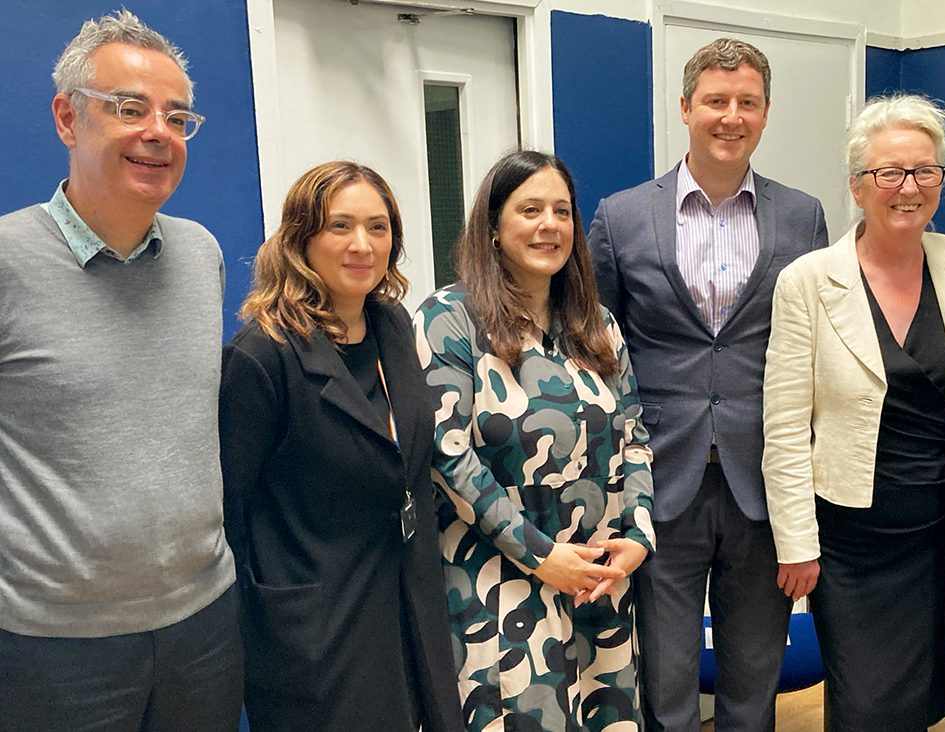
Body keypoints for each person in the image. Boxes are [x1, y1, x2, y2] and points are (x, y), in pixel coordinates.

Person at [0, 11, 243, 730]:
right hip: (52, 648)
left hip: (205, 623)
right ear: (67, 119)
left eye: (177, 117)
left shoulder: (201, 255)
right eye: (129, 109)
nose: (158, 133)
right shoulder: (7, 262)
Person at [588, 37, 829, 731]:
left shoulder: (802, 216)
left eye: (747, 102)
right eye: (716, 101)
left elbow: (815, 345)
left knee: (754, 679)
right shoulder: (622, 216)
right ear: (686, 107)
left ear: (766, 112)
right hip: (660, 480)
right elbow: (597, 347)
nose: (731, 116)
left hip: (764, 479)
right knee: (664, 680)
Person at [219, 162, 462, 731]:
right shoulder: (263, 356)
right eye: (340, 226)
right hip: (317, 625)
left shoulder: (391, 324)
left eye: (378, 227)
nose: (362, 245)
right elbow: (228, 514)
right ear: (301, 238)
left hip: (407, 595)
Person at [417, 150, 654, 731]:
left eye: (562, 211)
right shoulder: (449, 318)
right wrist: (544, 558)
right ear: (493, 227)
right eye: (530, 210)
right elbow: (448, 456)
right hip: (500, 586)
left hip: (598, 581)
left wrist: (638, 535)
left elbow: (634, 436)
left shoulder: (596, 324)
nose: (550, 225)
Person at [762, 93, 945, 731]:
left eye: (924, 171)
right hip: (852, 541)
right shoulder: (808, 280)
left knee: (924, 698)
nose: (908, 187)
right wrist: (796, 544)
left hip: (941, 530)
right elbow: (784, 425)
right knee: (865, 705)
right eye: (888, 172)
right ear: (857, 186)